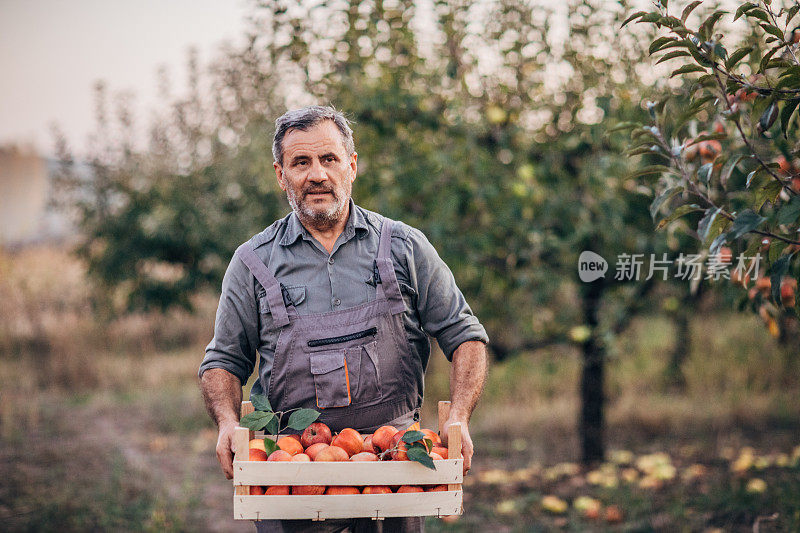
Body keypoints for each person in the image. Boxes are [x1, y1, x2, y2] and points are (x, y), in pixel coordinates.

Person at [198, 105, 488, 533]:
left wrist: (458, 414)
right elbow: (222, 360)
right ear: (281, 175)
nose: (317, 174)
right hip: (292, 472)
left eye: (329, 159)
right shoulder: (253, 263)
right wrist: (227, 423)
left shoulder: (404, 248)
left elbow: (465, 335)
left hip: (394, 469)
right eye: (301, 162)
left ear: (351, 166)